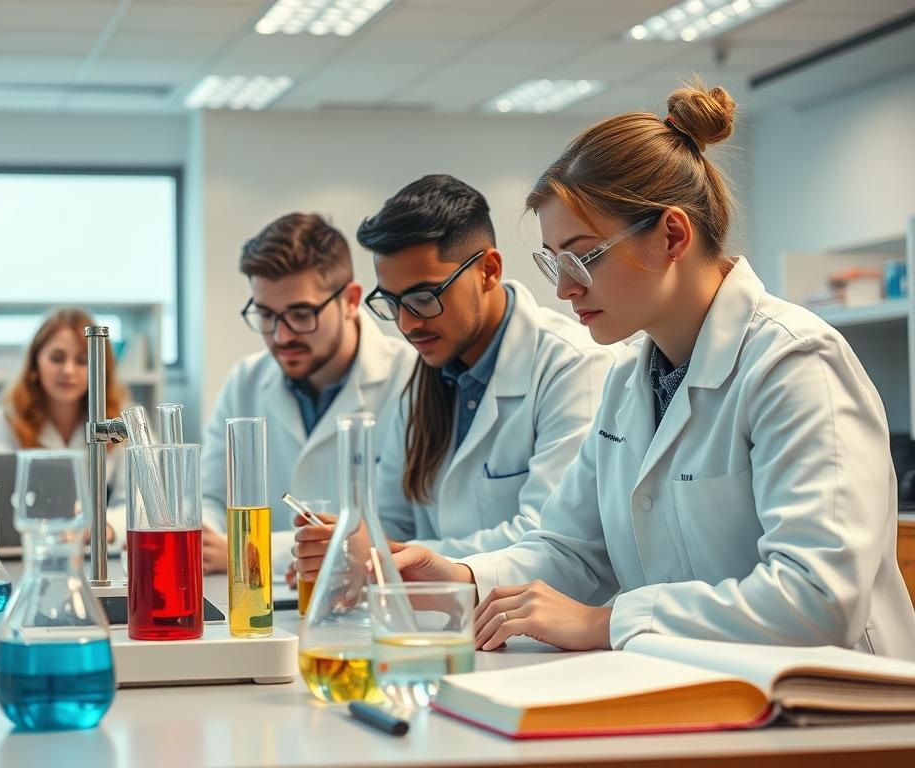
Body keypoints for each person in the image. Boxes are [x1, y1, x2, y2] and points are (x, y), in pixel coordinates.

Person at [389, 81, 915, 660]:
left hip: (840, 712)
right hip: (697, 691)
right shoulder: (628, 379)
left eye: (581, 257)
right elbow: (572, 548)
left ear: (672, 235)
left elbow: (818, 598)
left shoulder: (795, 364)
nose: (563, 288)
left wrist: (609, 622)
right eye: (552, 262)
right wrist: (459, 577)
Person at [293, 175, 609, 578]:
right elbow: (389, 519)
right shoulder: (424, 374)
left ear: (489, 271)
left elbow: (547, 538)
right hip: (445, 622)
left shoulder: (573, 366)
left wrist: (388, 554)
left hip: (539, 633)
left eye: (424, 298)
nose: (406, 325)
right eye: (391, 303)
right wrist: (346, 543)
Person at [200, 213, 419, 575]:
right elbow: (209, 497)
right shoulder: (245, 381)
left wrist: (249, 550)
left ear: (350, 300)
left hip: (368, 605)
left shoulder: (410, 378)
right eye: (266, 315)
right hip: (261, 601)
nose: (281, 336)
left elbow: (400, 528)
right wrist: (205, 535)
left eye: (301, 314)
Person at [0, 307, 128, 545]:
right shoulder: (6, 419)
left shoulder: (120, 423)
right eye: (57, 358)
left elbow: (141, 503)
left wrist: (105, 527)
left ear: (101, 369)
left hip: (97, 554)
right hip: (29, 554)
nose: (68, 370)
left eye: (82, 360)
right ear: (34, 364)